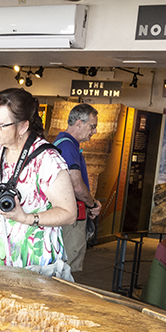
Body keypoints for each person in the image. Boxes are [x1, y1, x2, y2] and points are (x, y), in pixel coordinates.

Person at [0, 88, 76, 274]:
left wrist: (25, 218)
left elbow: (69, 213)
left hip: (36, 265)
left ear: (23, 126)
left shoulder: (46, 159)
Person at [53, 104, 102, 272]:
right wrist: (92, 204)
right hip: (70, 220)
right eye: (92, 126)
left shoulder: (65, 144)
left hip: (68, 215)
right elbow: (76, 185)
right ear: (79, 123)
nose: (94, 131)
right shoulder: (67, 146)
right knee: (67, 269)